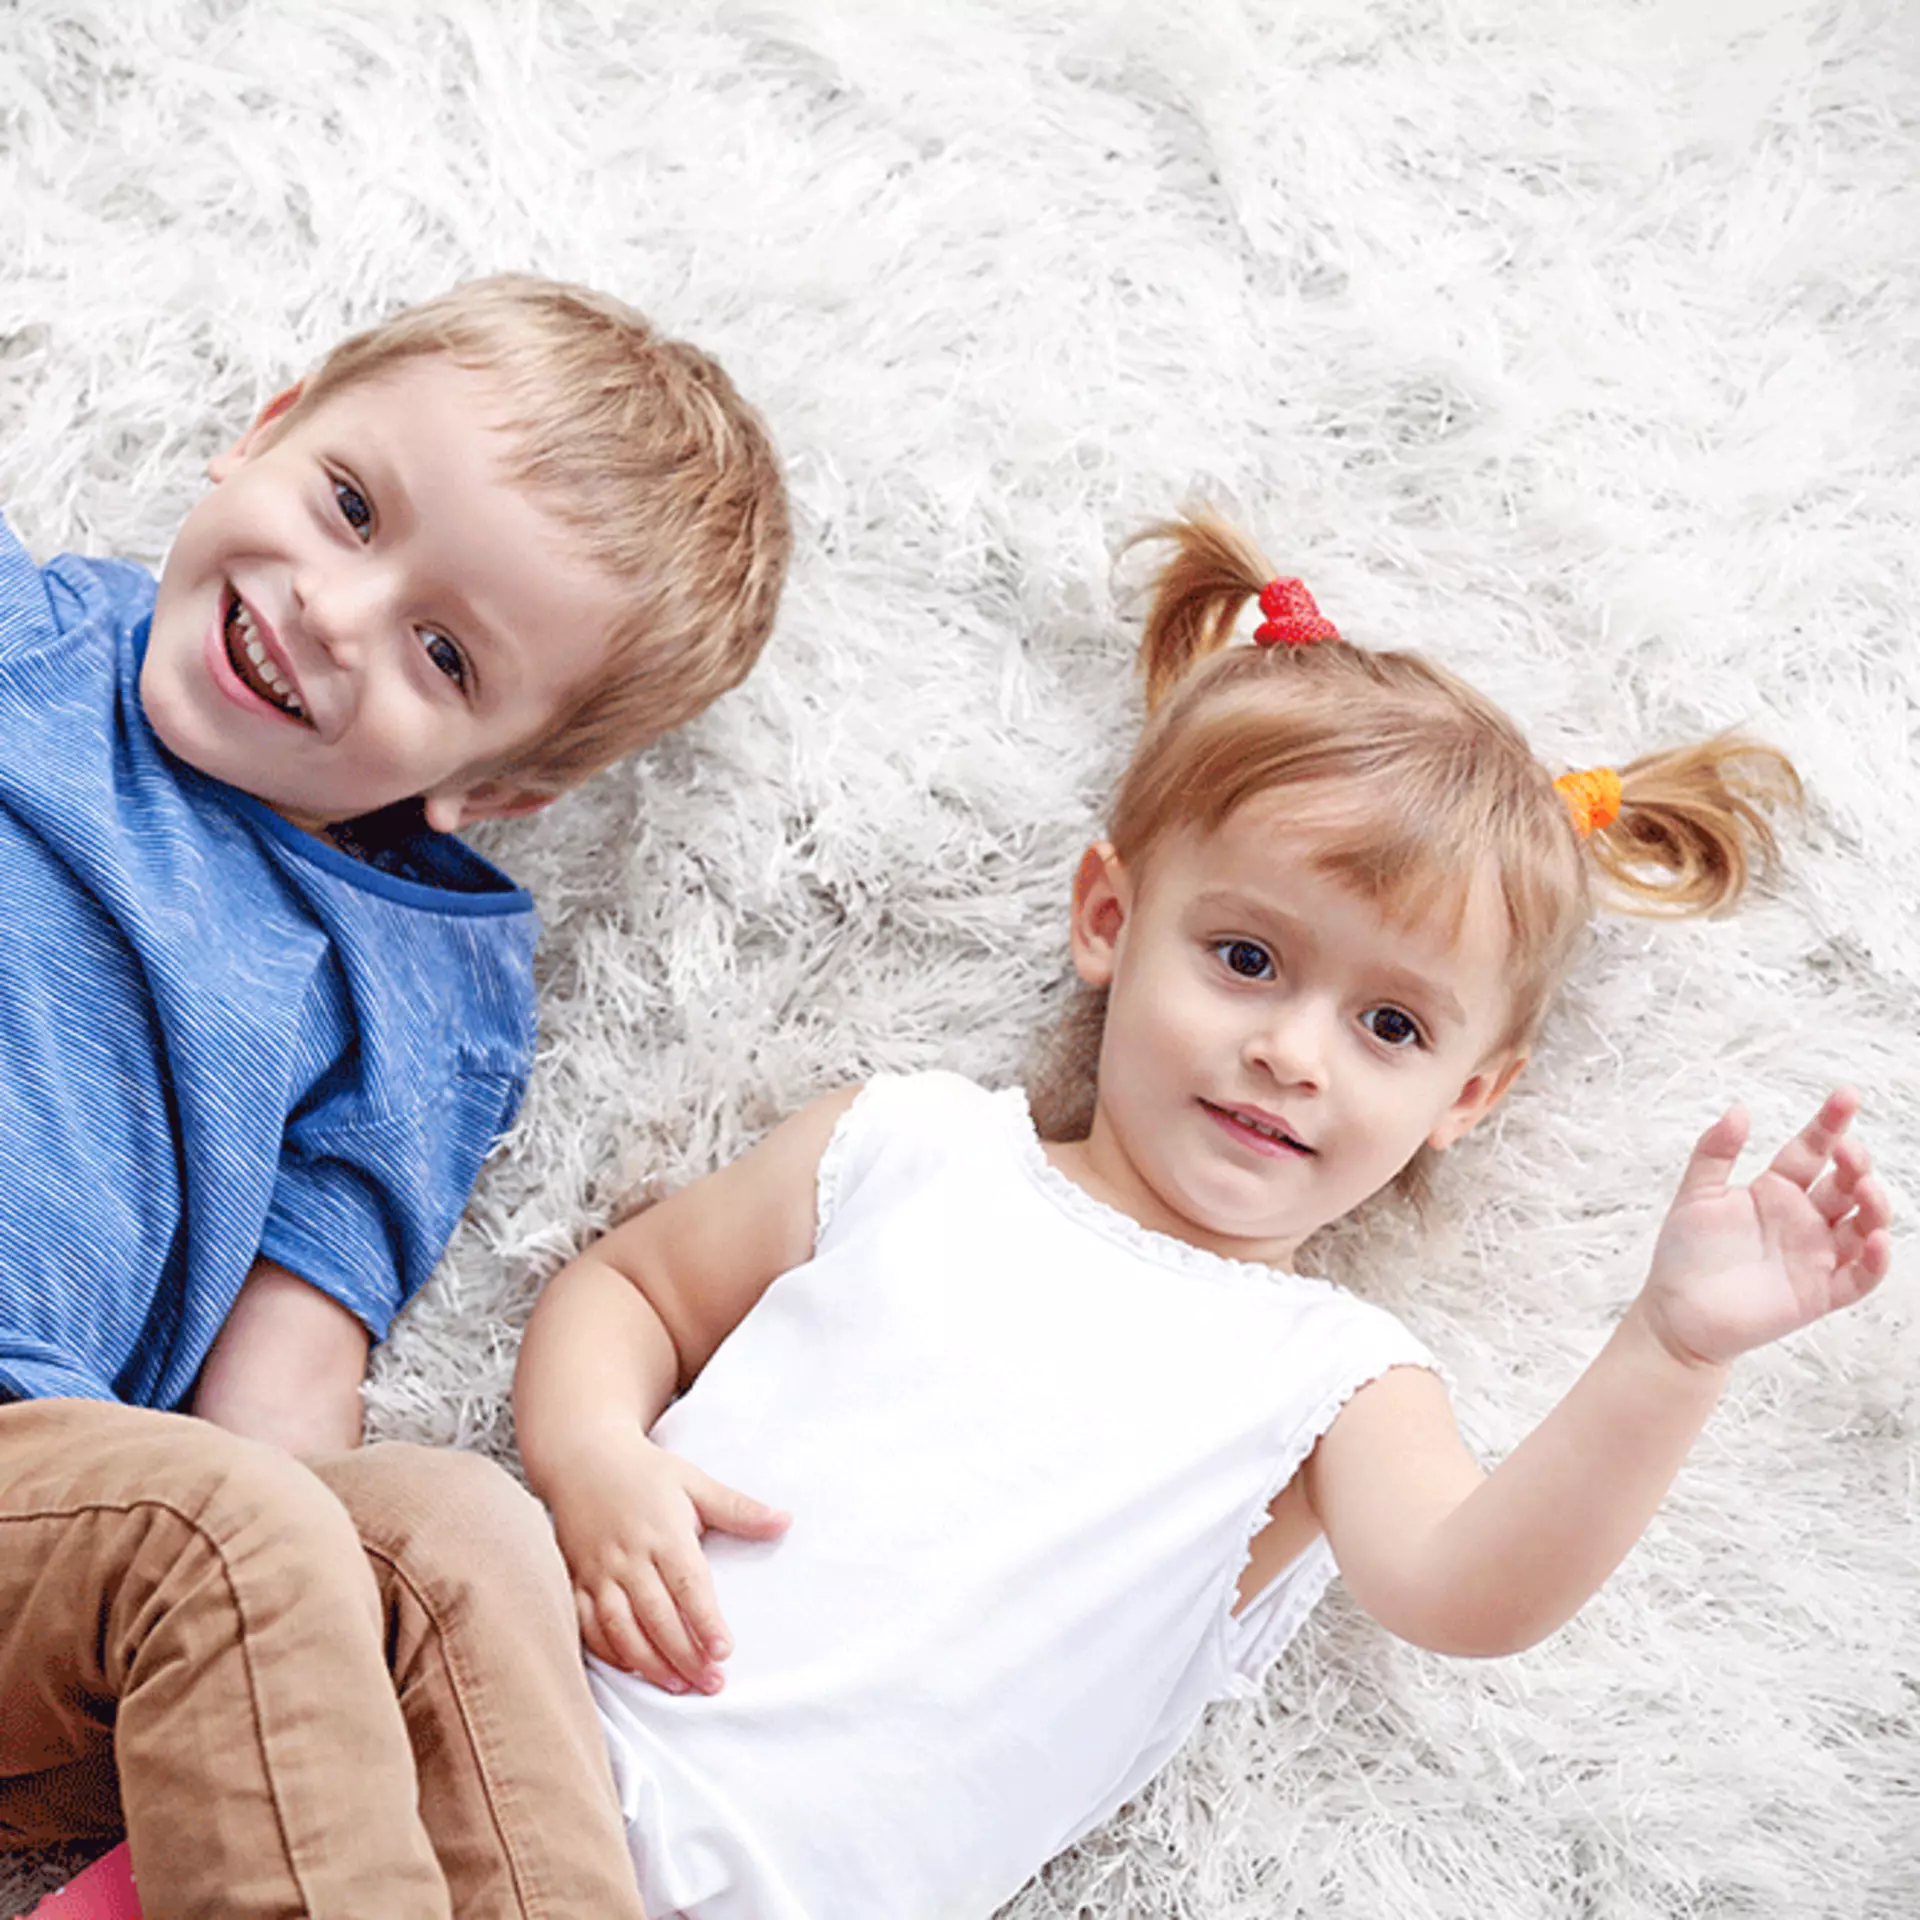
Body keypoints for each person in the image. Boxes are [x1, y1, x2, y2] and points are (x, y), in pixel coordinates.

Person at [509, 511, 1893, 1919]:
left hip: (738, 1893)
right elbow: (627, 1294)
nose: (1296, 1053)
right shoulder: (907, 1145)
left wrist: (1671, 1354)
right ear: (1108, 918)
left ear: (1467, 1099)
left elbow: (1469, 1593)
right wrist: (592, 1457)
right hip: (513, 1726)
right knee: (402, 1527)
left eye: (1391, 1026)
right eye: (1245, 958)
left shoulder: (1332, 1378)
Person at [0, 274, 787, 1917]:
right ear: (261, 432)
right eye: (347, 505)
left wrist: (291, 1550)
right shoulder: (24, 635)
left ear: (499, 784)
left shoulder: (418, 976)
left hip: (49, 1518)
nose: (333, 615)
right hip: (146, 1537)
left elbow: (279, 1397)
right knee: (225, 1539)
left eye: (442, 651)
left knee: (449, 1530)